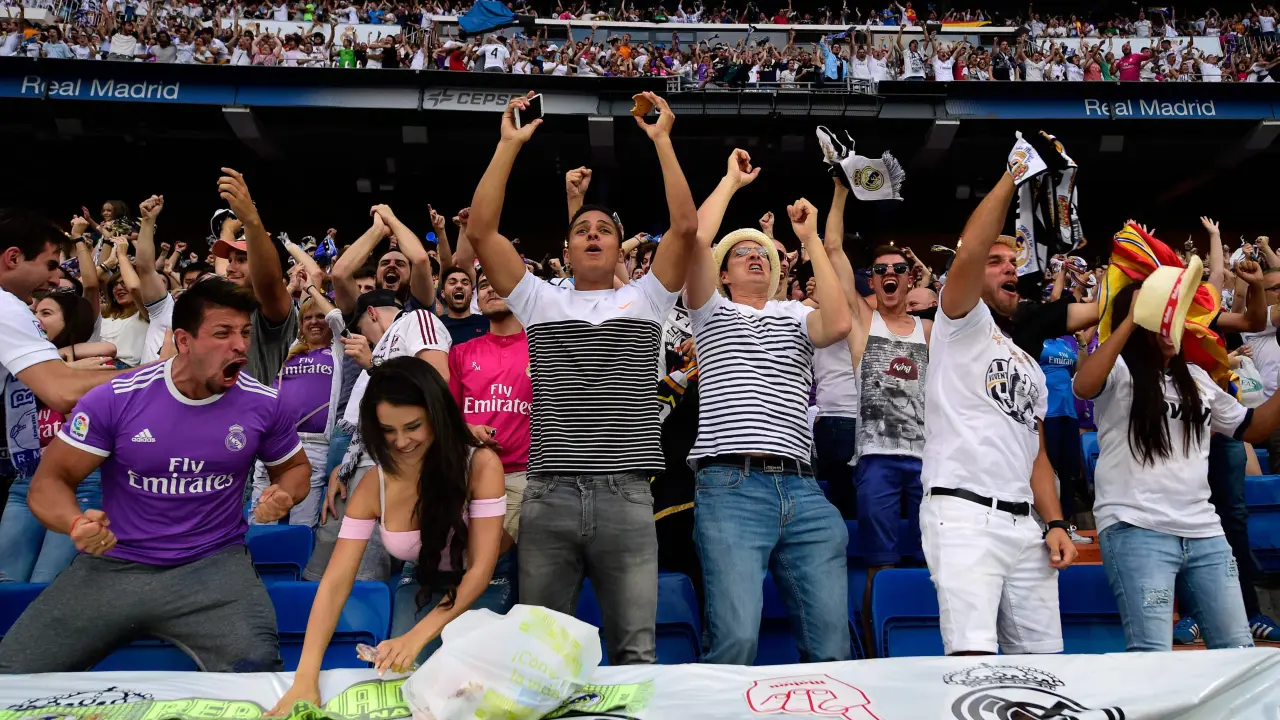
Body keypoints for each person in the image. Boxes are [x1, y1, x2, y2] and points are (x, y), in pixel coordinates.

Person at [467, 91, 697, 665]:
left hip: (627, 496)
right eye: (582, 229)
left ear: (619, 248)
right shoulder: (539, 300)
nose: (593, 233)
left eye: (604, 229)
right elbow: (483, 233)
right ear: (567, 250)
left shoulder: (648, 299)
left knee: (635, 653)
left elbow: (685, 228)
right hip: (550, 496)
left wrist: (662, 142)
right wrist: (508, 145)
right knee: (541, 657)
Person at [0, 277, 311, 673]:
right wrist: (74, 522)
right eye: (223, 333)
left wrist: (285, 493)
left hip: (214, 568)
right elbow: (48, 483)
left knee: (257, 672)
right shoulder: (116, 397)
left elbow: (296, 469)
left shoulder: (263, 403)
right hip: (114, 564)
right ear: (183, 341)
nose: (239, 346)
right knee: (13, 673)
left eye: (245, 333)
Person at [267, 358, 509, 712]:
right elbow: (335, 583)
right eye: (388, 431)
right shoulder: (372, 485)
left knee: (467, 692)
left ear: (437, 416)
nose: (401, 441)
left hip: (491, 578)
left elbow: (480, 571)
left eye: (413, 426)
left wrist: (415, 637)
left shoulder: (481, 464)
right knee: (406, 684)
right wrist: (305, 678)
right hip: (423, 577)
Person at [686, 149, 853, 665]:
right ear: (723, 275)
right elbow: (694, 240)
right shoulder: (709, 311)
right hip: (730, 485)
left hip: (803, 487)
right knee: (735, 642)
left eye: (762, 252)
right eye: (740, 253)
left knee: (831, 649)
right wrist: (730, 182)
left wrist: (810, 240)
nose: (755, 256)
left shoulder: (796, 314)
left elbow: (839, 323)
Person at [921, 133, 1078, 657]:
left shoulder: (1028, 362)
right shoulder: (959, 324)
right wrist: (1015, 174)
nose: (1010, 267)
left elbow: (1037, 453)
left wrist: (1055, 522)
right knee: (974, 661)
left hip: (1026, 524)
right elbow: (969, 249)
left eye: (1013, 261)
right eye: (996, 261)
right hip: (963, 514)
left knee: (1045, 667)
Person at [1074, 269, 1280, 652]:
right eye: (1160, 319)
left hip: (1204, 531)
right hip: (1136, 526)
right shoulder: (1118, 371)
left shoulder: (1197, 378)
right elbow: (1084, 386)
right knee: (1153, 653)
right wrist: (1131, 320)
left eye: (1175, 318)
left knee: (1237, 649)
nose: (1170, 329)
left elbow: (1252, 428)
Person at [846, 241, 931, 649]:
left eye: (898, 269)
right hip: (876, 456)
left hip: (925, 458)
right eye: (880, 270)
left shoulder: (928, 330)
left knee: (934, 562)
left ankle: (930, 642)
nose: (889, 275)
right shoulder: (864, 322)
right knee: (880, 566)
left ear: (910, 279)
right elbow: (834, 256)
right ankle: (873, 650)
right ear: (872, 281)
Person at [0, 291, 108, 583]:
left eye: (46, 314)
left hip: (80, 485)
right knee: (5, 581)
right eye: (35, 313)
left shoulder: (97, 365)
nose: (35, 320)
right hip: (25, 483)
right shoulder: (20, 368)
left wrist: (66, 367)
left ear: (70, 321)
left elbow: (106, 348)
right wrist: (65, 365)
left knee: (46, 584)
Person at [448, 272, 530, 540]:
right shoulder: (460, 352)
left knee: (501, 559)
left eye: (498, 283)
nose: (491, 289)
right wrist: (467, 430)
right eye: (483, 285)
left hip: (522, 477)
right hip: (468, 473)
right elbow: (445, 414)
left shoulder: (541, 349)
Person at [210, 169, 298, 384]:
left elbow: (267, 281)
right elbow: (225, 269)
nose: (230, 268)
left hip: (259, 406)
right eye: (230, 259)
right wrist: (228, 229)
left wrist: (251, 220)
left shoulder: (268, 307)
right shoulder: (230, 295)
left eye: (241, 259)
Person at [438, 266, 489, 345]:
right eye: (452, 283)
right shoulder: (437, 326)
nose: (459, 286)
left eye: (465, 283)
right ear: (443, 293)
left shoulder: (488, 323)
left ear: (472, 294)